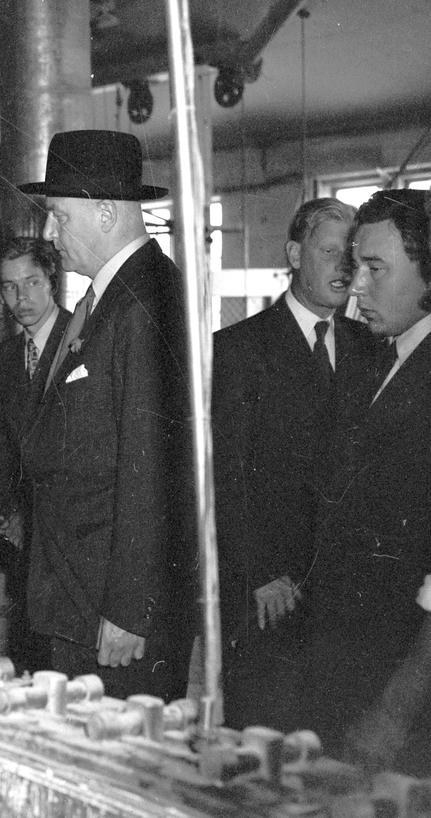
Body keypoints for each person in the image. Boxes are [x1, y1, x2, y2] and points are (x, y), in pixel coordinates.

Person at [18, 130, 194, 700]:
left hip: (113, 614)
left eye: (58, 216)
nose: (49, 233)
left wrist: (130, 609)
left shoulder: (146, 301)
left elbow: (155, 467)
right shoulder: (110, 297)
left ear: (105, 214)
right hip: (80, 594)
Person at [274, 189, 431, 769]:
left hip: (398, 687)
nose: (356, 285)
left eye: (375, 268)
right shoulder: (382, 357)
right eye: (354, 265)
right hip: (347, 662)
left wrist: (397, 707)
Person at [211, 198, 378, 728]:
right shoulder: (238, 349)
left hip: (343, 601)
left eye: (352, 256)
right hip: (268, 595)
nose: (344, 268)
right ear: (294, 254)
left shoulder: (372, 347)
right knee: (261, 740)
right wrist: (258, 574)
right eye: (330, 253)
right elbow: (224, 477)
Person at [0, 237, 70, 671]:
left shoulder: (85, 340)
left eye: (32, 282)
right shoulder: (6, 357)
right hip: (25, 545)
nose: (22, 297)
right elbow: (3, 446)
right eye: (10, 287)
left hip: (74, 538)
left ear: (52, 282)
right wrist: (13, 511)